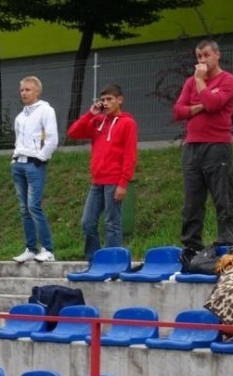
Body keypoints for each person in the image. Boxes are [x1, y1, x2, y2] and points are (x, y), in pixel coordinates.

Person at [172, 39, 233, 251]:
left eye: (206, 55)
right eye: (199, 56)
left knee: (223, 197)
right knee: (192, 199)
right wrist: (198, 106)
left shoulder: (227, 80)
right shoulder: (190, 82)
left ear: (217, 55)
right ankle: (191, 245)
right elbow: (178, 111)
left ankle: (227, 242)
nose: (202, 60)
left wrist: (200, 82)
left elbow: (212, 104)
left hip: (217, 145)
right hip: (192, 146)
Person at [67, 84, 138, 261]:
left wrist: (123, 183)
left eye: (109, 99)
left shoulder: (127, 123)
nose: (105, 103)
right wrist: (90, 114)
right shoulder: (97, 121)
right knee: (87, 222)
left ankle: (113, 260)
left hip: (114, 180)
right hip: (97, 181)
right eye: (103, 100)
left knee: (112, 223)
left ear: (119, 100)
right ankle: (94, 258)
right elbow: (73, 133)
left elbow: (130, 155)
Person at [10, 76, 59, 263]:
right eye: (22, 90)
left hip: (34, 164)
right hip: (19, 163)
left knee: (33, 206)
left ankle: (48, 249)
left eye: (28, 89)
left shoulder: (46, 110)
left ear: (37, 91)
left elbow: (52, 139)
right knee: (24, 209)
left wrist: (41, 158)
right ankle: (31, 248)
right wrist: (14, 158)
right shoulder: (20, 117)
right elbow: (18, 141)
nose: (24, 93)